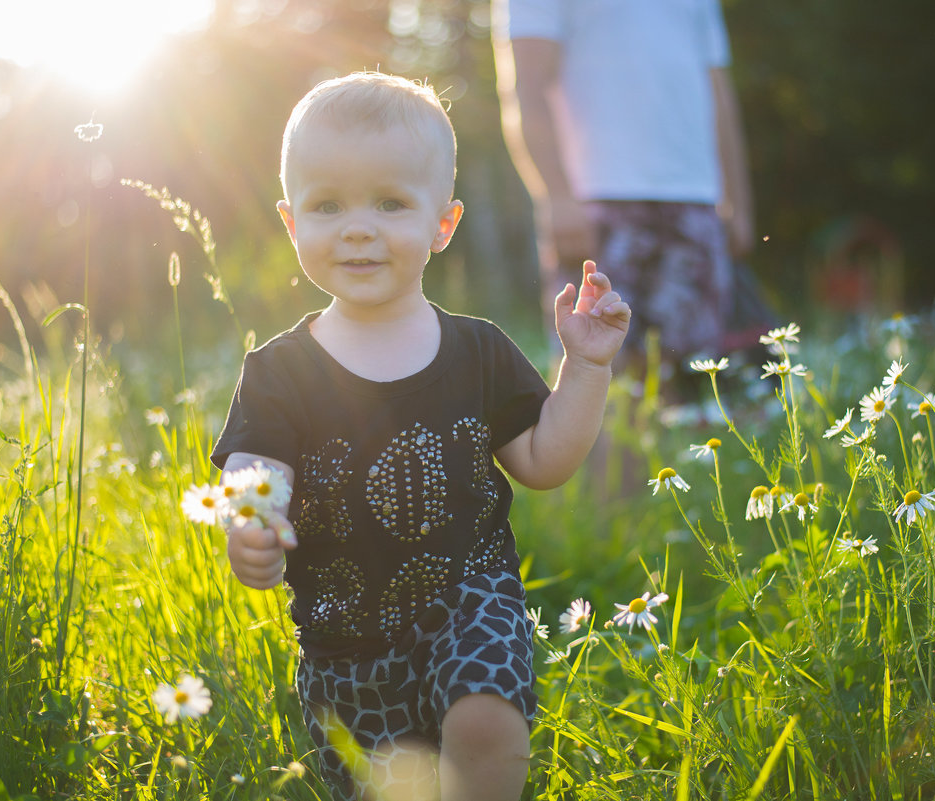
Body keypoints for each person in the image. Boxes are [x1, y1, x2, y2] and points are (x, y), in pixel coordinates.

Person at [210, 72, 630, 801]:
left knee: (485, 715)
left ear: (443, 222)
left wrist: (586, 367)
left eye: (390, 202)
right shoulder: (278, 371)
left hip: (471, 604)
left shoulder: (478, 351)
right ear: (291, 223)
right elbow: (254, 462)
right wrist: (248, 516)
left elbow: (543, 460)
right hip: (346, 647)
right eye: (327, 204)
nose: (358, 226)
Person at [493, 0, 760, 377]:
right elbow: (526, 88)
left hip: (696, 202)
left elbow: (718, 91)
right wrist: (556, 196)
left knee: (690, 379)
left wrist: (738, 203)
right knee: (594, 377)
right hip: (596, 201)